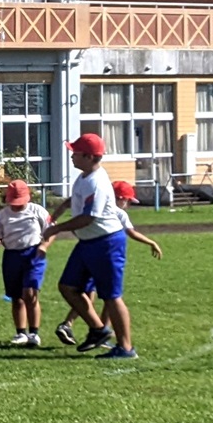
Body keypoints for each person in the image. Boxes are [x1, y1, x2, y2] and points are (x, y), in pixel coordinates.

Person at [40, 133, 138, 359]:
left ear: (89, 157)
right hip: (89, 242)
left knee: (111, 296)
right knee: (68, 286)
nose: (72, 156)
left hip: (106, 242)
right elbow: (74, 201)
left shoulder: (97, 182)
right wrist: (56, 215)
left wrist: (56, 229)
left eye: (76, 153)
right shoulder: (85, 177)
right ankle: (98, 330)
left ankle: (125, 348)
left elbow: (88, 218)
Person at [52, 180, 162, 344]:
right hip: (105, 252)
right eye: (128, 201)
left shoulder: (92, 204)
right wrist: (151, 242)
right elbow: (131, 233)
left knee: (87, 293)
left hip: (86, 249)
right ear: (119, 198)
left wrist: (53, 219)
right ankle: (102, 330)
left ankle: (71, 324)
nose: (128, 205)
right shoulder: (117, 213)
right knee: (111, 296)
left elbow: (67, 203)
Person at [0, 179, 51, 346]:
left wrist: (44, 246)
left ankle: (34, 333)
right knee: (16, 297)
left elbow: (51, 230)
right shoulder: (2, 215)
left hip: (33, 254)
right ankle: (20, 332)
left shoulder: (37, 211)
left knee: (30, 293)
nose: (17, 205)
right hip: (12, 256)